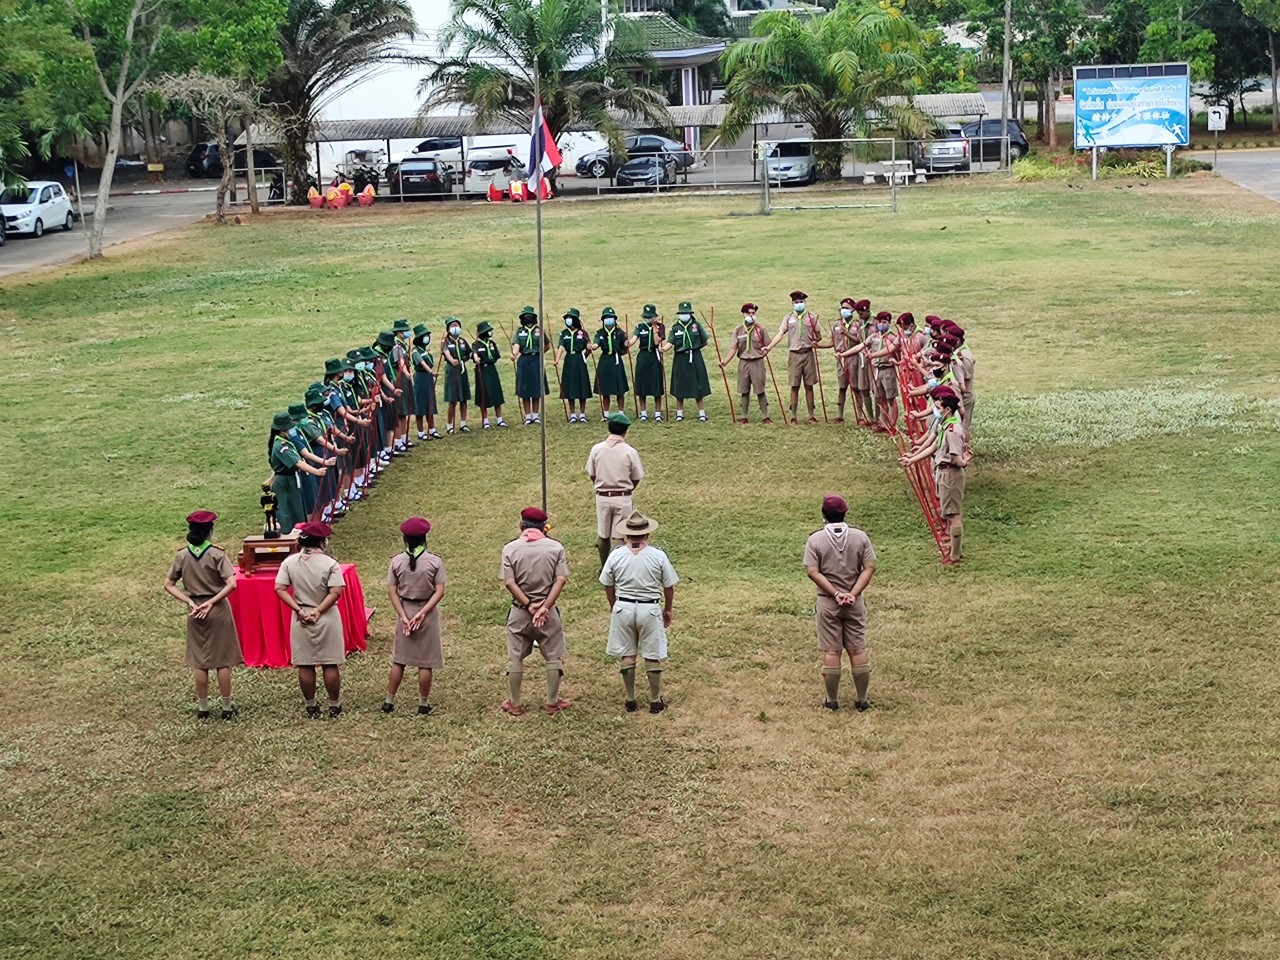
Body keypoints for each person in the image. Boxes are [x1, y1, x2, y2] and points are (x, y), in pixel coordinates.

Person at [164, 510, 242, 720]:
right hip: (217, 609)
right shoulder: (217, 554)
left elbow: (168, 584)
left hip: (195, 610)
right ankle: (226, 708)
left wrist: (190, 601)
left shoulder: (182, 555)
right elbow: (232, 584)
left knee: (199, 661)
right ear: (210, 531)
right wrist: (212, 602)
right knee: (222, 660)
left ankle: (203, 708)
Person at [599, 510, 678, 713]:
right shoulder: (658, 556)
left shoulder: (616, 555)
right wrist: (668, 609)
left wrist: (613, 604)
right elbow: (669, 586)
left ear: (626, 534)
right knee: (652, 654)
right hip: (649, 608)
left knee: (627, 653)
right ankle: (655, 700)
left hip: (623, 607)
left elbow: (608, 584)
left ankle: (630, 698)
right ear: (647, 533)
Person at [803, 495, 876, 711]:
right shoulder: (860, 537)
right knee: (857, 649)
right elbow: (869, 567)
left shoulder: (815, 540)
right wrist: (852, 593)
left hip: (828, 602)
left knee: (832, 652)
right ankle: (861, 699)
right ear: (845, 513)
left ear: (823, 514)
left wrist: (835, 594)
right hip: (855, 602)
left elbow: (812, 571)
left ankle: (832, 700)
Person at [499, 507, 572, 716]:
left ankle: (515, 703)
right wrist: (544, 607)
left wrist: (529, 604)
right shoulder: (556, 548)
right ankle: (552, 702)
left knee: (515, 656)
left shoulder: (510, 549)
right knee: (553, 655)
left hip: (520, 611)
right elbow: (561, 579)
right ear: (544, 527)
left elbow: (509, 582)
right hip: (548, 612)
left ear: (521, 525)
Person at [274, 521, 347, 717]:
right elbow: (336, 592)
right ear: (323, 542)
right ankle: (334, 705)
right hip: (327, 616)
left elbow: (279, 588)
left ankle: (311, 705)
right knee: (330, 663)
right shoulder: (330, 564)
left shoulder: (289, 562)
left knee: (305, 664)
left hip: (301, 617)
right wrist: (319, 611)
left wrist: (298, 610)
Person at [382, 516, 448, 715]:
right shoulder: (434, 562)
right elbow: (439, 591)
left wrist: (403, 615)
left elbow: (393, 592)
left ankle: (389, 701)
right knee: (425, 662)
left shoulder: (396, 561)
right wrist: (423, 613)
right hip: (426, 613)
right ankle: (423, 703)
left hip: (406, 609)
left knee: (399, 659)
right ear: (424, 538)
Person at [901, 392, 969, 564]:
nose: (935, 410)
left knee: (953, 514)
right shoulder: (945, 426)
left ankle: (955, 556)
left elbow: (957, 459)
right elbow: (933, 447)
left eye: (938, 407)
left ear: (947, 409)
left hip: (951, 473)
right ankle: (954, 549)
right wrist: (912, 459)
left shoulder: (952, 430)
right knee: (949, 512)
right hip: (944, 472)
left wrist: (965, 461)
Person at [585, 411, 644, 569]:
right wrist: (627, 489)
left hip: (602, 496)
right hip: (623, 497)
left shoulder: (597, 449)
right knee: (619, 536)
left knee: (603, 534)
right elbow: (636, 477)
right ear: (626, 431)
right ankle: (619, 568)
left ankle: (604, 567)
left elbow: (592, 474)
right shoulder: (630, 451)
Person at [764, 289, 825, 425]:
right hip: (794, 355)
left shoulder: (812, 317)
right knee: (794, 385)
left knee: (809, 385)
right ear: (792, 303)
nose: (799, 304)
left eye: (801, 301)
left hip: (808, 354)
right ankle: (793, 416)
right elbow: (780, 334)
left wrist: (815, 341)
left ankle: (811, 415)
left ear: (805, 302)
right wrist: (769, 347)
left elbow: (819, 335)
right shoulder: (788, 318)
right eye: (796, 302)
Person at [266, 411, 327, 534]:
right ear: (283, 431)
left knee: (297, 509)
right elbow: (297, 463)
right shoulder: (281, 446)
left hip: (291, 479)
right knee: (286, 512)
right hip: (285, 483)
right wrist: (317, 472)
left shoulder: (286, 442)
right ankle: (288, 536)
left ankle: (299, 534)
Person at [719, 302, 772, 424]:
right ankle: (744, 416)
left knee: (760, 389)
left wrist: (763, 354)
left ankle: (765, 416)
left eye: (753, 313)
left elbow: (767, 345)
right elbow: (733, 348)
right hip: (743, 362)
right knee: (744, 390)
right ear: (743, 314)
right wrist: (725, 361)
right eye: (748, 313)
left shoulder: (760, 329)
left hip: (757, 362)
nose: (751, 315)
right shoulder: (738, 330)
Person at [661, 300, 711, 422]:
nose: (684, 315)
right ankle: (679, 413)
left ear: (690, 313)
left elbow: (704, 341)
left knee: (698, 384)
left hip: (695, 357)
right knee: (680, 384)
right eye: (682, 313)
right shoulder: (675, 327)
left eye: (686, 313)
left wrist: (694, 348)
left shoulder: (696, 325)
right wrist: (663, 349)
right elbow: (670, 342)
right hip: (680, 358)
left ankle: (702, 412)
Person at [627, 303, 665, 422]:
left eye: (650, 317)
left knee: (656, 385)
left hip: (654, 356)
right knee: (642, 385)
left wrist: (654, 329)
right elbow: (634, 339)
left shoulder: (660, 327)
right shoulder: (640, 327)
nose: (648, 319)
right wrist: (628, 343)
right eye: (646, 317)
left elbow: (657, 341)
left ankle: (657, 413)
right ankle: (643, 412)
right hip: (643, 356)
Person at [512, 306, 550, 425]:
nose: (528, 318)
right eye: (525, 316)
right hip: (524, 361)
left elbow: (547, 345)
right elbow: (516, 344)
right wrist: (514, 354)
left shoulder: (539, 330)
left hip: (536, 361)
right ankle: (528, 416)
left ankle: (535, 415)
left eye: (530, 315)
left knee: (536, 389)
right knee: (525, 389)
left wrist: (540, 353)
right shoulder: (519, 331)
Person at [556, 308, 593, 423]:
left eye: (571, 318)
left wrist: (584, 356)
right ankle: (572, 414)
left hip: (579, 360)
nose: (568, 320)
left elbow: (589, 347)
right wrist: (557, 359)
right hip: (569, 360)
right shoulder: (564, 333)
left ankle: (582, 414)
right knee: (570, 387)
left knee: (582, 386)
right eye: (567, 318)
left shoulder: (583, 333)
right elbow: (561, 346)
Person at [593, 307, 630, 418]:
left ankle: (621, 413)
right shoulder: (600, 333)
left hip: (616, 360)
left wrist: (626, 345)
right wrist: (593, 346)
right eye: (606, 317)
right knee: (605, 390)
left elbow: (624, 349)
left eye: (610, 317)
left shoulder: (620, 333)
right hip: (605, 361)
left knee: (620, 389)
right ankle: (606, 414)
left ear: (614, 319)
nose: (608, 319)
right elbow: (596, 343)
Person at [472, 321, 508, 429]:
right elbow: (474, 353)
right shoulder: (476, 344)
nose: (490, 333)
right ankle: (485, 420)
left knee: (496, 393)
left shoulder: (492, 343)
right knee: (483, 394)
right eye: (488, 331)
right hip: (482, 370)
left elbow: (496, 356)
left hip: (492, 369)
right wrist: (476, 358)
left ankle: (499, 419)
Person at [829, 298, 859, 424]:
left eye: (846, 308)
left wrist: (846, 334)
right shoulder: (836, 325)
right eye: (842, 308)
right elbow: (832, 343)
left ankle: (860, 416)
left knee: (856, 388)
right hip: (841, 359)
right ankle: (840, 414)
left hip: (853, 358)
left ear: (852, 310)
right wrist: (817, 345)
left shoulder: (857, 324)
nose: (843, 310)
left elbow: (860, 341)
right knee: (842, 387)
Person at [410, 323, 442, 441]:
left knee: (430, 403)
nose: (427, 337)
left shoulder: (426, 350)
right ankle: (420, 432)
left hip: (428, 379)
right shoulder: (415, 351)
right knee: (420, 406)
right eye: (424, 336)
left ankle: (432, 429)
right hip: (420, 378)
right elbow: (422, 363)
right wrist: (431, 372)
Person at [441, 317, 472, 434]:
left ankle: (463, 423)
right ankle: (449, 425)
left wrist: (470, 357)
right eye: (452, 326)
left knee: (463, 398)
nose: (455, 327)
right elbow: (445, 352)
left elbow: (469, 353)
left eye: (457, 325)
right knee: (452, 399)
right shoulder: (446, 342)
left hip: (462, 370)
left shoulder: (462, 341)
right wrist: (452, 360)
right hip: (452, 371)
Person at [391, 318, 415, 452]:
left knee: (405, 410)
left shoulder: (402, 345)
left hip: (405, 378)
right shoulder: (396, 346)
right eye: (405, 331)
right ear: (399, 332)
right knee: (400, 411)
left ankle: (405, 438)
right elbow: (400, 363)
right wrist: (407, 373)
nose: (407, 333)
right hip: (399, 378)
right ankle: (398, 441)